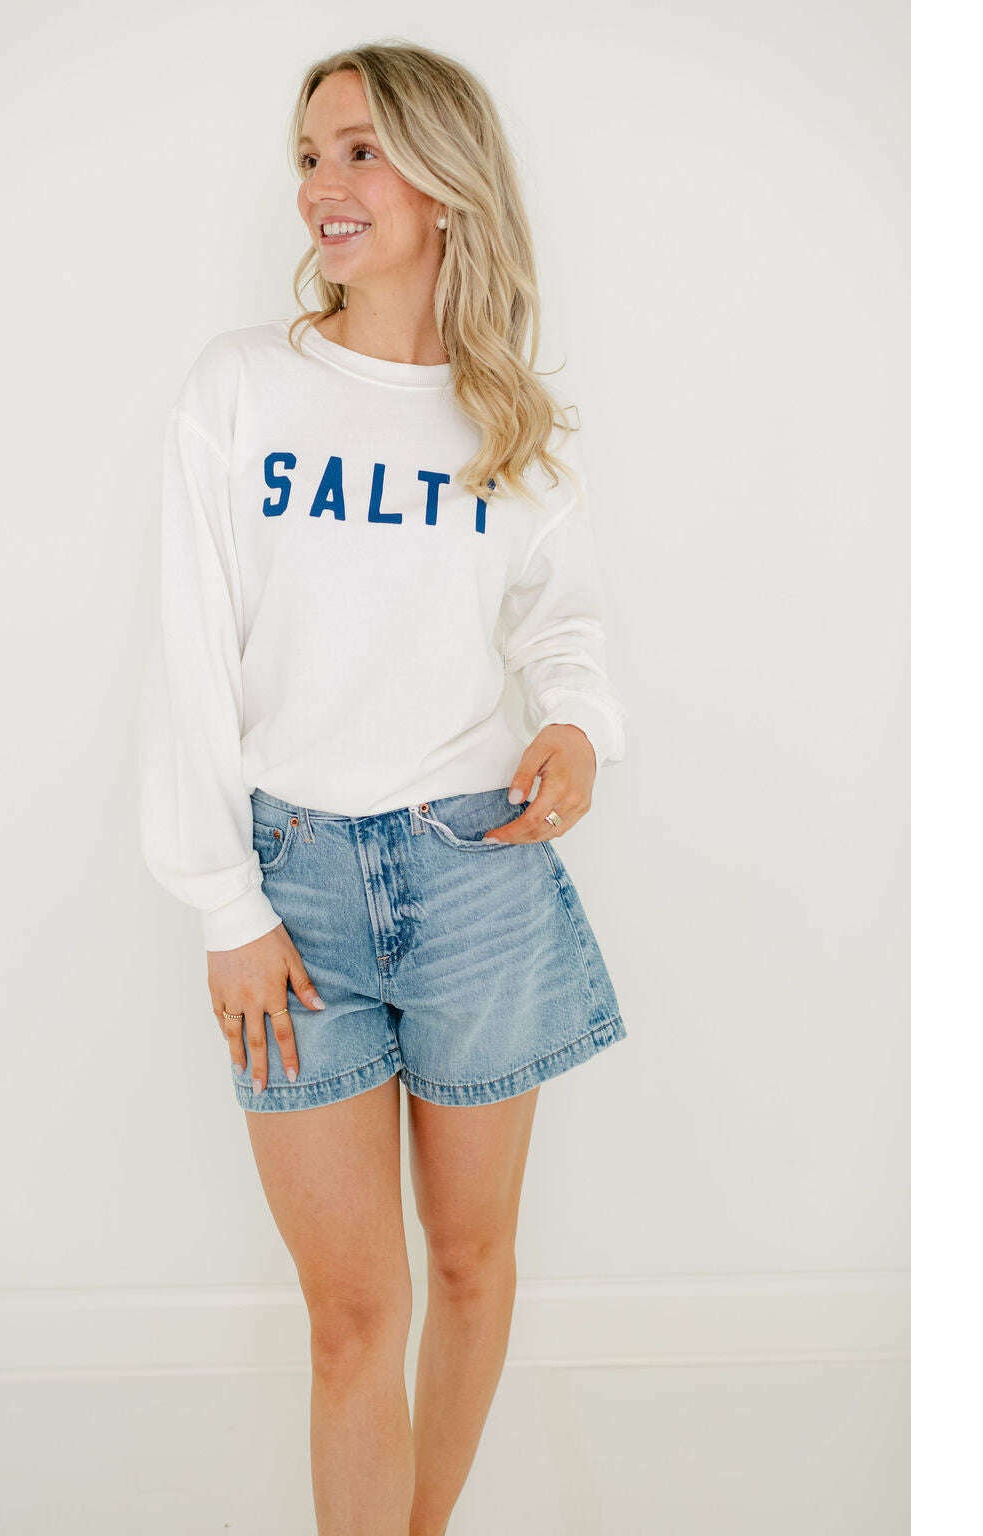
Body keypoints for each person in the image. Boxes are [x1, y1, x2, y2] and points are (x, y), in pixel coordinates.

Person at [139, 41, 631, 1536]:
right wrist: (225, 905)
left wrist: (578, 728)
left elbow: (564, 626)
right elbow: (187, 657)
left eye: (360, 150)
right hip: (289, 899)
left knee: (472, 1265)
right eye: (310, 155)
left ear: (444, 182)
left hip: (478, 876)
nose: (323, 186)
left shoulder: (509, 426)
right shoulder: (242, 392)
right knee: (353, 1314)